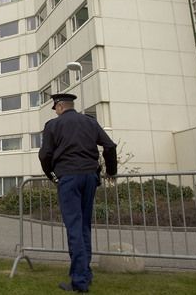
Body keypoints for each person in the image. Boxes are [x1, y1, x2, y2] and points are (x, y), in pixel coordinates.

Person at [38, 93, 117, 293]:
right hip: (90, 177)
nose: (55, 112)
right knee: (83, 227)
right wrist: (111, 171)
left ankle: (79, 281)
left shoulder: (53, 126)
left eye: (55, 108)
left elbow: (45, 155)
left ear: (60, 106)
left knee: (74, 228)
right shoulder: (89, 122)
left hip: (69, 178)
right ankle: (85, 274)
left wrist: (52, 176)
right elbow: (109, 146)